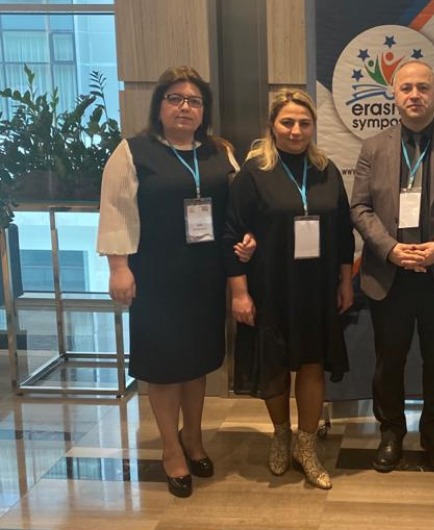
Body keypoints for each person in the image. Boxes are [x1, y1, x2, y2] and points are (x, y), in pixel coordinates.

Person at [97, 65, 255, 498]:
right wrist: (118, 268)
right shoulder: (133, 152)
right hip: (156, 276)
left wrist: (247, 239)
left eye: (194, 101)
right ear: (160, 105)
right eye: (176, 98)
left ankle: (194, 438)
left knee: (197, 363)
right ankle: (171, 449)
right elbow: (116, 211)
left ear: (205, 110)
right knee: (165, 367)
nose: (185, 107)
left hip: (205, 276)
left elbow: (238, 209)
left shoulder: (220, 152)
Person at [351, 60, 434, 472]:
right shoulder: (373, 147)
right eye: (406, 87)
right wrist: (390, 249)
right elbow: (360, 207)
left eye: (423, 88)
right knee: (388, 360)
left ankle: (433, 433)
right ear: (393, 94)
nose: (415, 95)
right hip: (389, 274)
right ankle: (391, 432)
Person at [224, 88, 354, 490]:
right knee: (275, 365)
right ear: (272, 125)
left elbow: (343, 232)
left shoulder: (326, 170)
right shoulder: (253, 173)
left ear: (313, 127)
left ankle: (306, 445)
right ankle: (281, 436)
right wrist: (240, 293)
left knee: (313, 363)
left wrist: (345, 281)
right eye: (287, 122)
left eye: (304, 123)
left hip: (317, 286)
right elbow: (233, 233)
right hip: (271, 284)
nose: (296, 131)